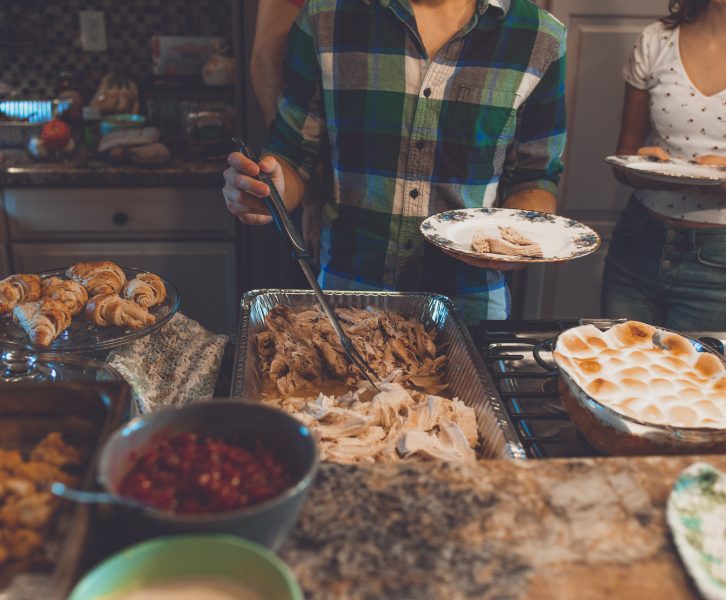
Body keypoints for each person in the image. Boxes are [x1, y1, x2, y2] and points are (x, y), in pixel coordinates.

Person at [225, 0, 566, 324]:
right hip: (348, 302)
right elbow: (292, 155)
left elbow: (534, 179)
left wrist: (520, 240)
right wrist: (271, 187)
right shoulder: (327, 17)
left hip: (469, 306)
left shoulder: (539, 37)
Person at [603, 0, 726, 330]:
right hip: (637, 245)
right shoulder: (655, 40)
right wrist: (646, 168)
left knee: (693, 380)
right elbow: (624, 156)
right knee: (620, 373)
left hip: (719, 262)